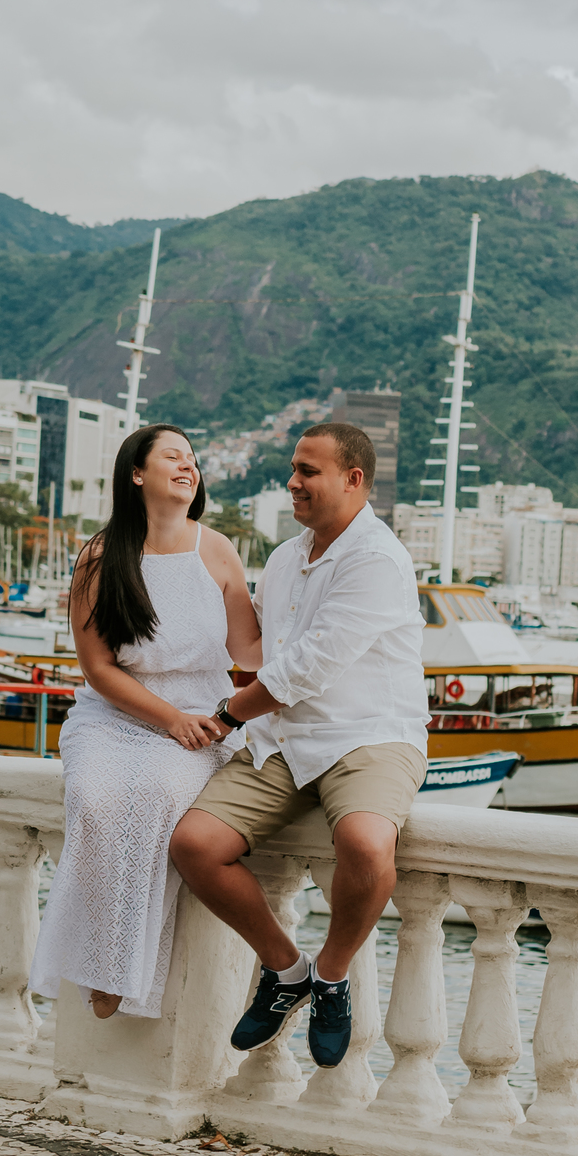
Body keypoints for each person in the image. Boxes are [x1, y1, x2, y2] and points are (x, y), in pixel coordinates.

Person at [169, 422, 429, 1069]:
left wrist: (224, 716)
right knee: (195, 845)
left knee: (366, 844)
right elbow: (256, 647)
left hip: (369, 734)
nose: (292, 482)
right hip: (284, 740)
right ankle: (286, 971)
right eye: (293, 468)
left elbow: (305, 669)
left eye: (308, 471)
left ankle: (332, 977)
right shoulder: (287, 557)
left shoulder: (377, 559)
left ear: (353, 479)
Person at [29, 424, 262, 1020]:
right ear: (137, 474)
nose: (188, 467)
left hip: (202, 722)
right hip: (113, 716)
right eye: (173, 457)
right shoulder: (100, 557)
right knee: (93, 797)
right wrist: (169, 719)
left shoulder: (217, 550)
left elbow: (250, 650)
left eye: (193, 460)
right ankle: (103, 962)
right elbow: (98, 668)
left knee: (157, 793)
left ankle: (117, 973)